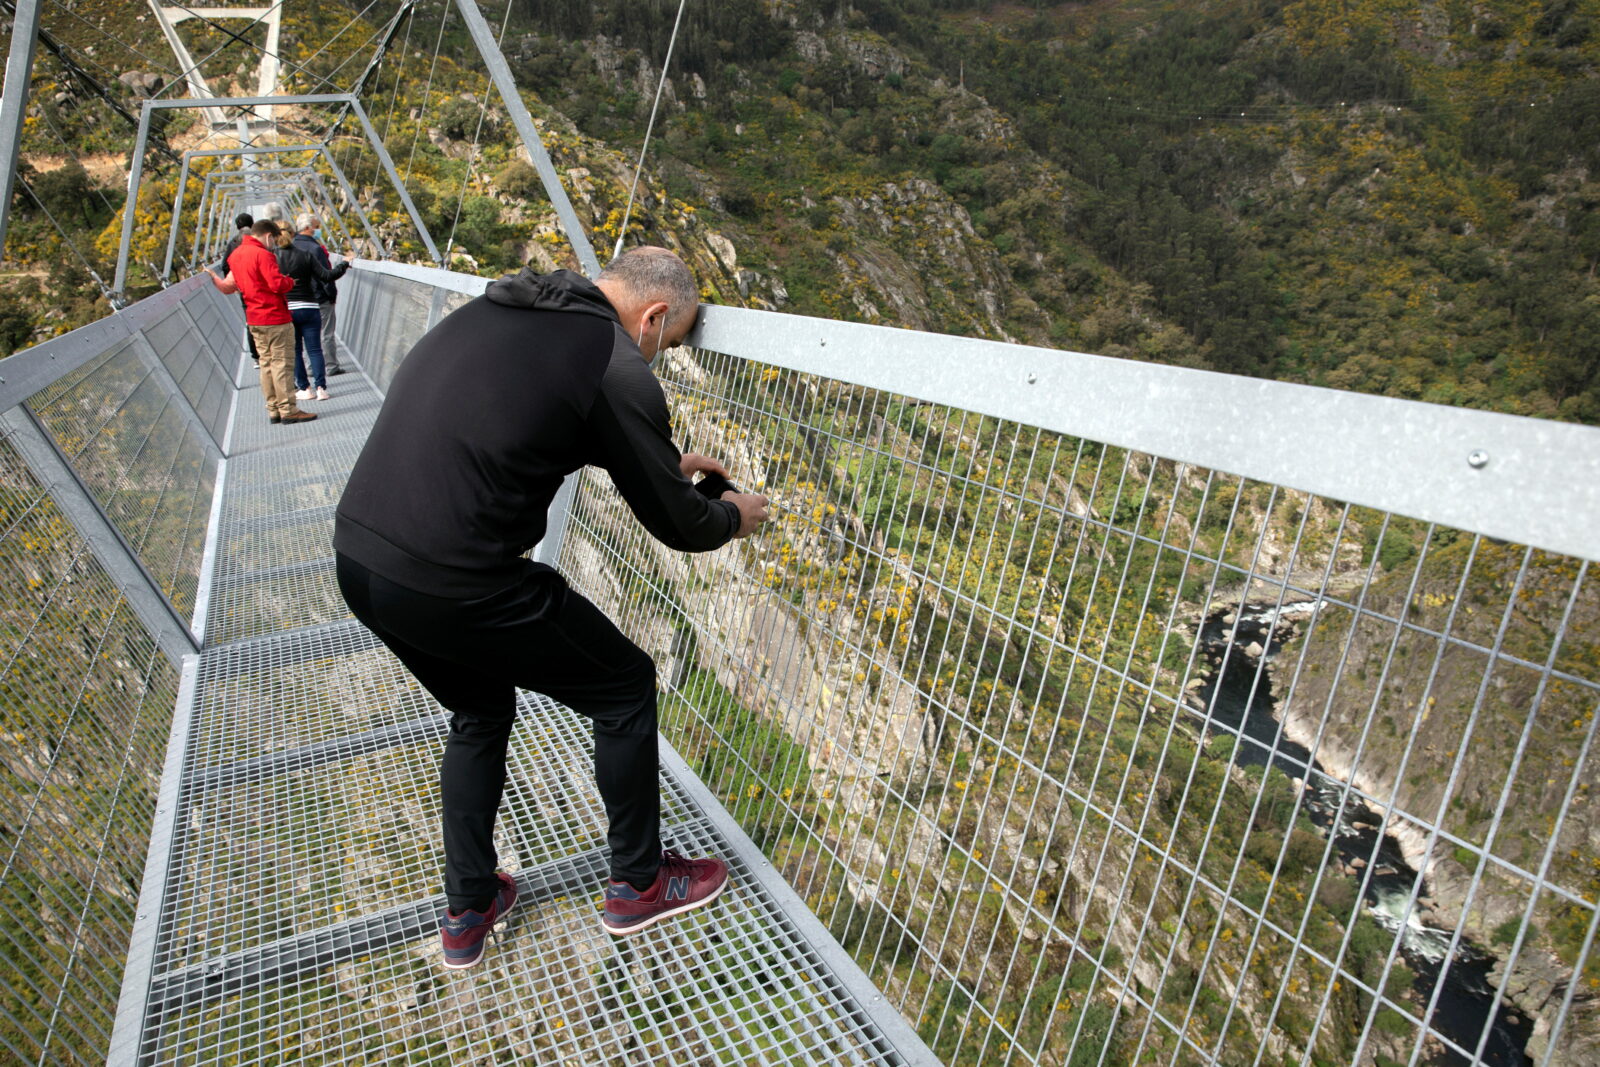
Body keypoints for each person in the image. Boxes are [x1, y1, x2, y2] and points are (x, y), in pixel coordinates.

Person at [333, 247, 769, 969]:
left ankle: (469, 906)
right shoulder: (614, 360)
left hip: (363, 561)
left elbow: (523, 415)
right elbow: (682, 528)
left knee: (479, 707)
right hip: (460, 579)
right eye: (674, 338)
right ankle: (640, 881)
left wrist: (661, 461)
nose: (664, 353)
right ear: (654, 315)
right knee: (623, 682)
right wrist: (734, 515)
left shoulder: (503, 307)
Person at [227, 219, 316, 425]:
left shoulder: (236, 255)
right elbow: (276, 285)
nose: (274, 245)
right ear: (268, 236)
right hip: (275, 316)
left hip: (254, 318)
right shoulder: (263, 255)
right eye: (274, 240)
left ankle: (273, 409)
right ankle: (289, 410)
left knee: (266, 364)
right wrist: (289, 282)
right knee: (282, 364)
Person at [273, 216, 349, 401]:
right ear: (292, 234)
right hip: (310, 306)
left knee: (296, 350)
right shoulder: (305, 255)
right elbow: (327, 275)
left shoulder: (272, 258)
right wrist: (344, 263)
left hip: (288, 310)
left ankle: (305, 388)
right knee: (315, 349)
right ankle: (321, 388)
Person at [212, 212, 260, 364]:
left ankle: (256, 356)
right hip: (260, 286)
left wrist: (234, 281)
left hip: (243, 287)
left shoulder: (233, 243)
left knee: (250, 320)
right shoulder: (258, 240)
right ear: (252, 225)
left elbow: (225, 265)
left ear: (237, 227)